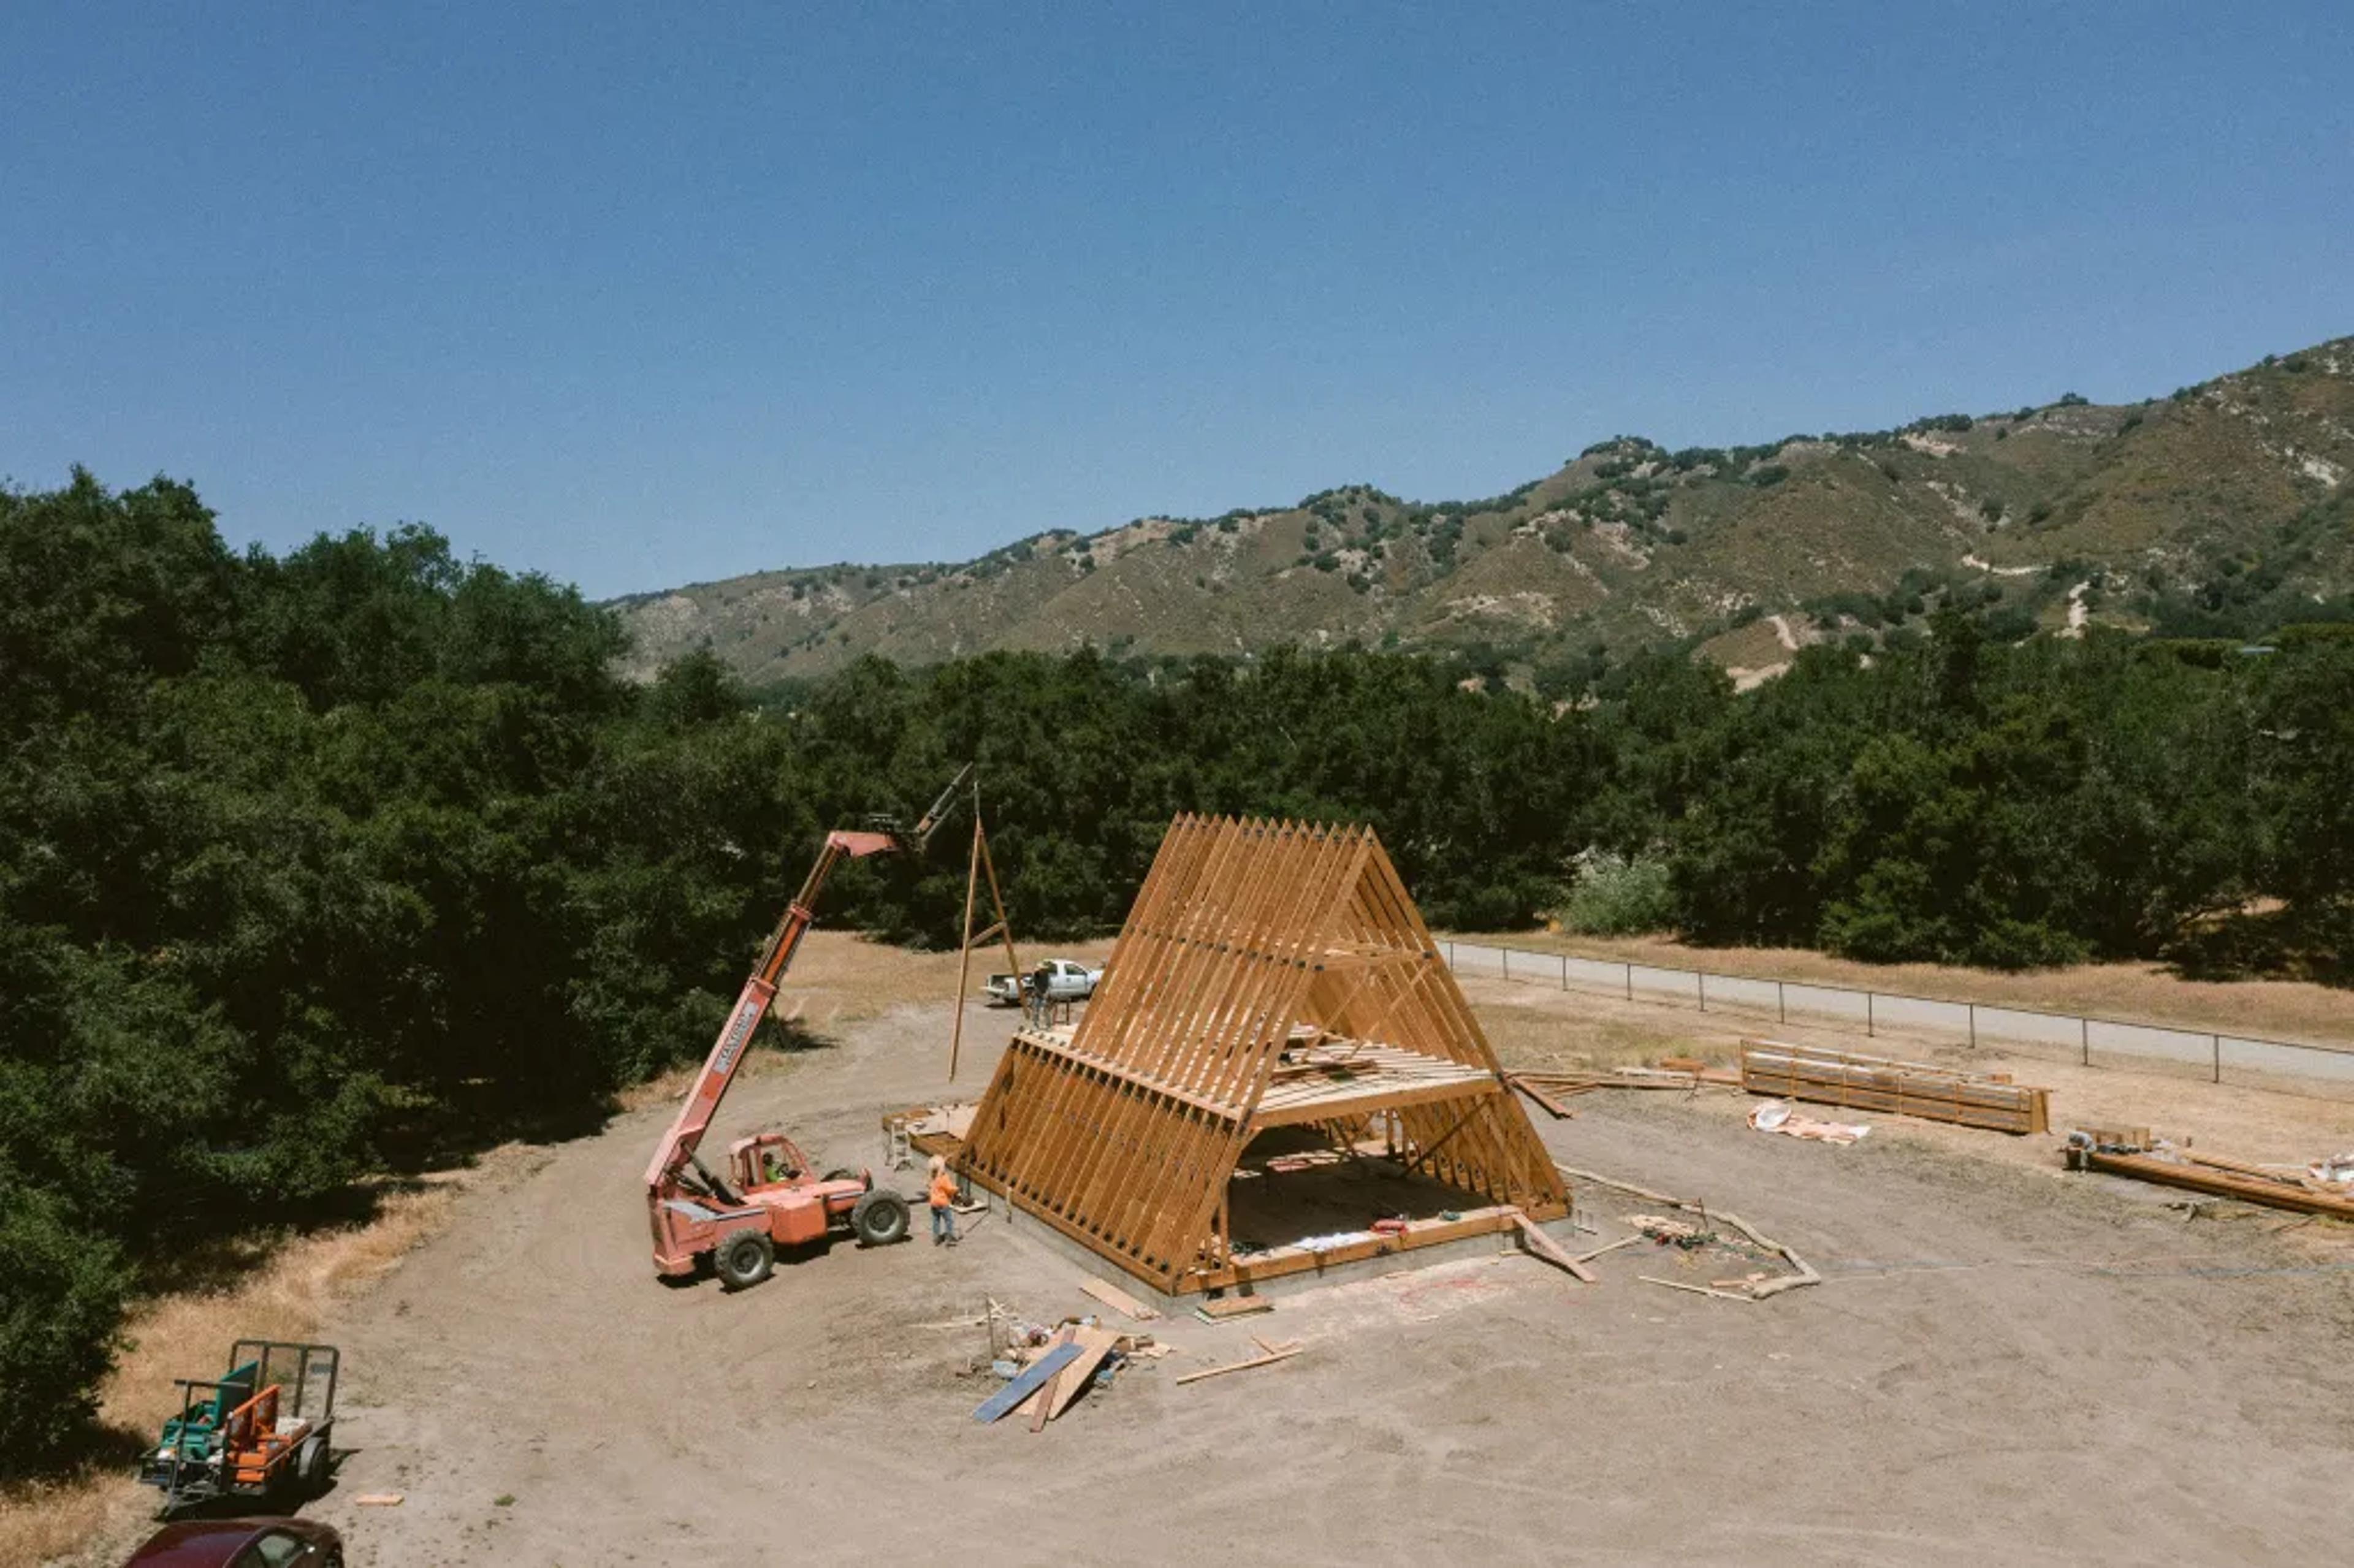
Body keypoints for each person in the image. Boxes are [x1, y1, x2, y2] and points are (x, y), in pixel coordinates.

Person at [926, 1155, 959, 1246]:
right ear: (943, 1167)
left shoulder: (932, 1176)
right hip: (943, 1203)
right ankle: (949, 1238)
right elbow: (949, 1189)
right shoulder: (944, 1177)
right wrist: (956, 1189)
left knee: (936, 1221)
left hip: (933, 1203)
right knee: (949, 1221)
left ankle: (936, 1239)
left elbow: (929, 1185)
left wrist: (946, 1158)